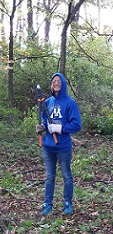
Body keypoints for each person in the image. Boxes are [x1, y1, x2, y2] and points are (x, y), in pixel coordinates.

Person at [36, 73, 82, 216]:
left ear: (62, 84)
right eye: (54, 81)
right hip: (48, 146)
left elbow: (77, 125)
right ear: (51, 84)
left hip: (63, 147)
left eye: (58, 81)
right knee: (50, 177)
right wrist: (42, 127)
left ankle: (67, 203)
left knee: (67, 176)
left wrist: (60, 128)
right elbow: (45, 119)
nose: (56, 83)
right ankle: (47, 205)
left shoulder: (70, 103)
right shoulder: (47, 102)